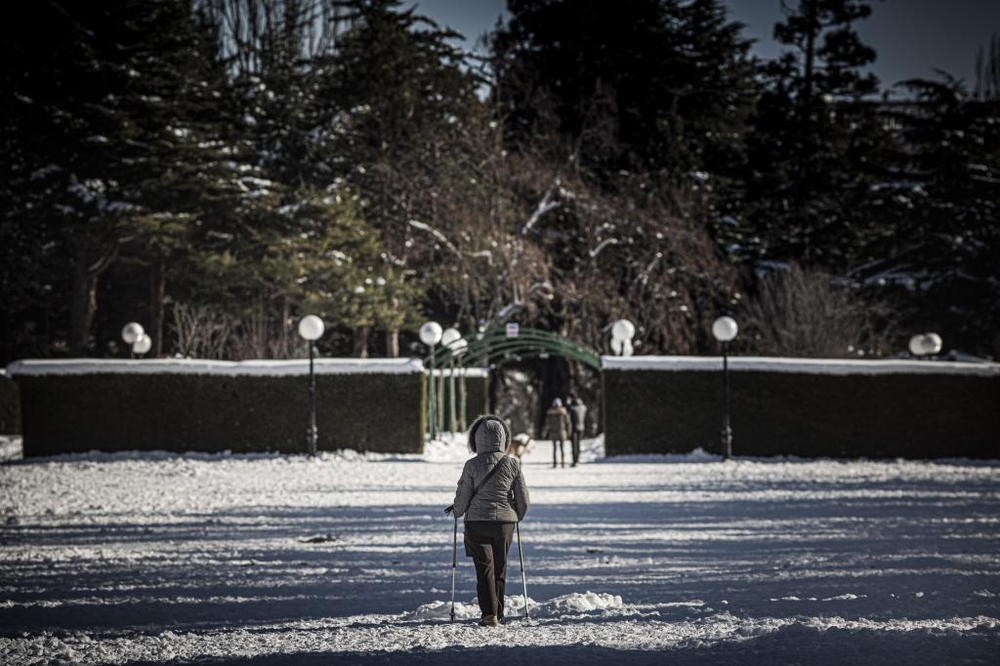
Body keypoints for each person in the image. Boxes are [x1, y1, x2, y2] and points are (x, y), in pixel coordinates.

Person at [446, 415, 530, 626]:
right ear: (503, 438)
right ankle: (498, 613)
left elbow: (463, 497)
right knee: (500, 568)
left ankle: (489, 614)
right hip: (505, 525)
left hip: (476, 523)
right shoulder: (513, 464)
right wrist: (514, 516)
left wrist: (456, 511)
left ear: (476, 439)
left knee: (484, 568)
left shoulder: (471, 464)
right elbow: (524, 500)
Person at [542, 397, 571, 468]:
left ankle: (555, 463)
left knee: (554, 449)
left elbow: (547, 424)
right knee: (562, 448)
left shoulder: (550, 413)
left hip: (553, 432)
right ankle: (563, 463)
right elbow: (568, 423)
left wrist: (544, 432)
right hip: (562, 431)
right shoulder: (564, 412)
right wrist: (569, 432)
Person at [567, 393, 587, 467]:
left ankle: (574, 460)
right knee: (578, 444)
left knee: (574, 445)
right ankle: (577, 459)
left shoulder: (572, 408)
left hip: (574, 428)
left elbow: (570, 419)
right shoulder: (583, 408)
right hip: (581, 427)